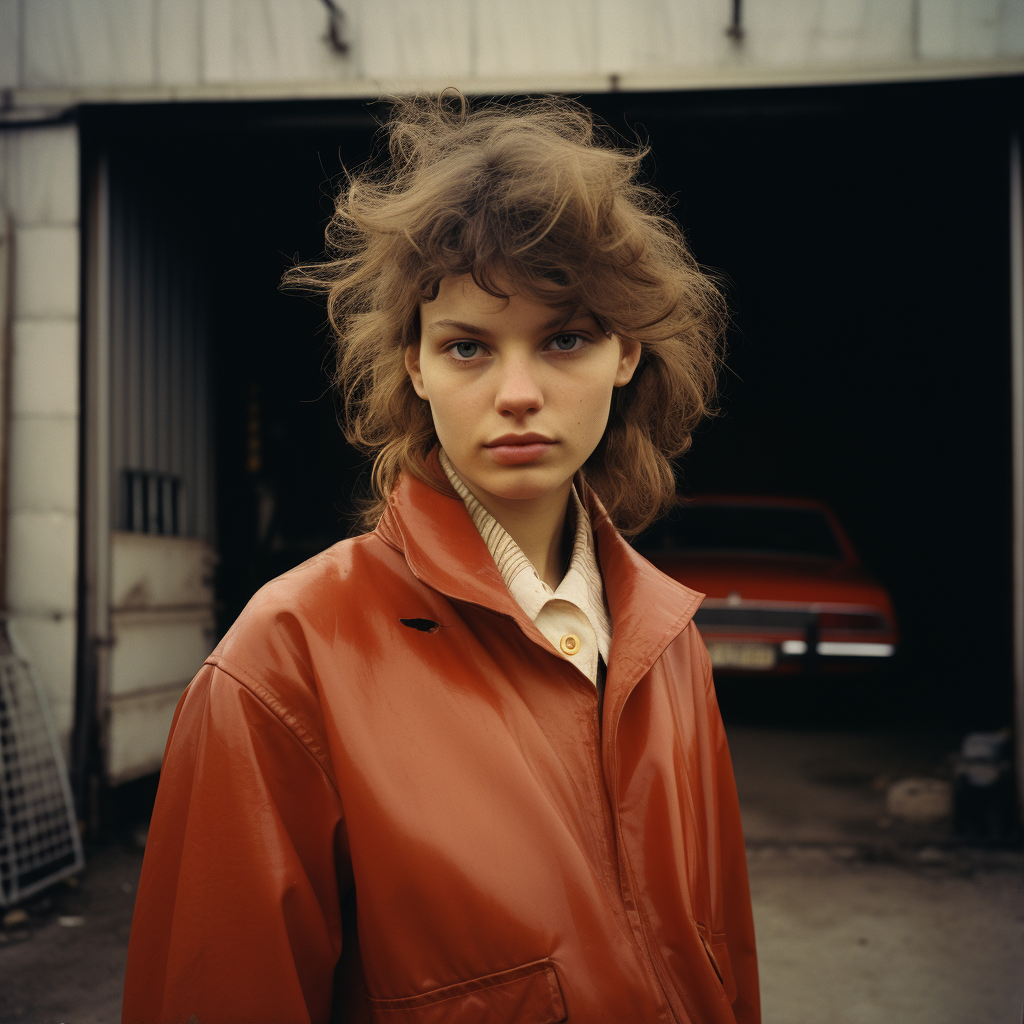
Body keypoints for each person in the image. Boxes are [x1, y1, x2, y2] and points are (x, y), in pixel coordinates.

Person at [122, 93, 760, 1024]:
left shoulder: (670, 641)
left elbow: (727, 965)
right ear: (415, 366)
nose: (516, 393)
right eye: (468, 347)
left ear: (626, 353)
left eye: (565, 339)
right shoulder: (286, 662)